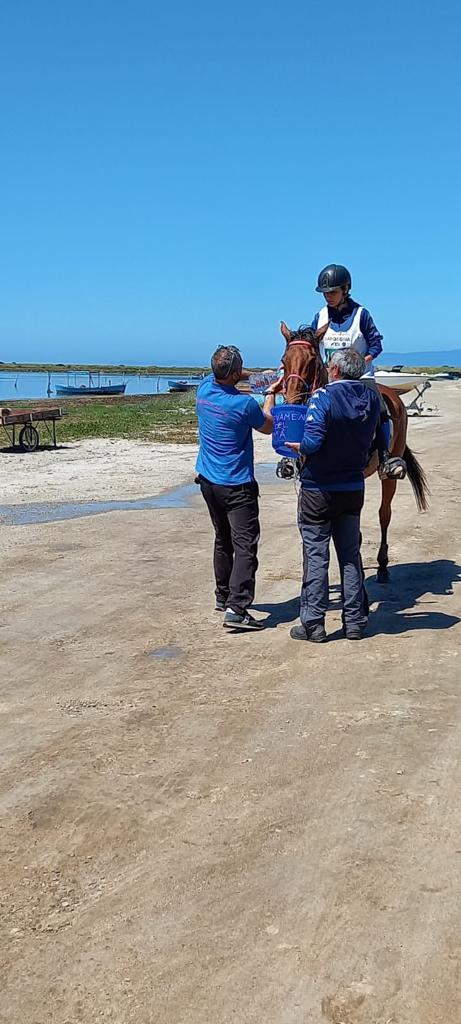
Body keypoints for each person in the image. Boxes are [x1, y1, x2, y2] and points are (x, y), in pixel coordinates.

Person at [285, 349, 381, 643]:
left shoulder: (322, 397)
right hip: (353, 487)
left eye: (329, 365)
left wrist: (298, 446)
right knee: (350, 557)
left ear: (336, 370)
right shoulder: (372, 398)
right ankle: (354, 621)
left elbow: (313, 442)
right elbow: (379, 435)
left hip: (319, 489)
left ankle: (313, 622)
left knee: (316, 555)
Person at [195, 345, 280, 631]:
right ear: (233, 375)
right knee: (245, 547)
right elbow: (268, 425)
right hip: (237, 486)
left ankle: (223, 595)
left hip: (208, 482)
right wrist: (269, 394)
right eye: (239, 370)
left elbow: (227, 374)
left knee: (223, 540)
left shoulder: (204, 389)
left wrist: (258, 376)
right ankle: (237, 608)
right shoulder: (243, 405)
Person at [311, 263, 405, 479]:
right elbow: (312, 344)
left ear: (346, 289)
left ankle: (385, 458)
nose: (328, 297)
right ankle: (292, 456)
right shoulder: (320, 316)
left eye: (332, 292)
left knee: (380, 408)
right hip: (330, 377)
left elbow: (376, 344)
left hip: (360, 377)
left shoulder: (361, 315)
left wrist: (362, 362)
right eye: (324, 293)